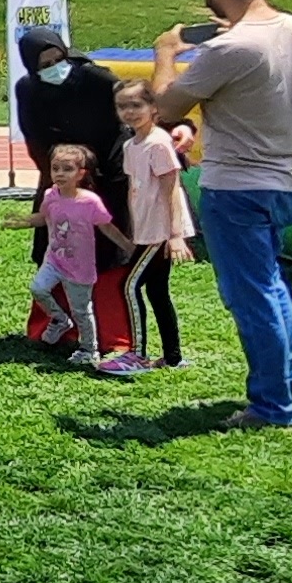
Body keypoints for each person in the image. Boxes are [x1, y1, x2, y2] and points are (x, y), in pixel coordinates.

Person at [146, 0, 292, 429]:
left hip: (236, 185)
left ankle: (272, 406)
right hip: (286, 181)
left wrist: (165, 52)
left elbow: (164, 106)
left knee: (252, 295)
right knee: (271, 286)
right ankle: (288, 387)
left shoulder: (229, 47)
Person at [11, 26, 136, 355]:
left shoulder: (99, 80)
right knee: (58, 250)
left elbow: (129, 122)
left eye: (59, 58)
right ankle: (55, 327)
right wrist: (61, 174)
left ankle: (111, 336)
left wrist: (97, 171)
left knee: (106, 257)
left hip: (107, 178)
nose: (54, 67)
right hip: (60, 180)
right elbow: (35, 138)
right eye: (44, 63)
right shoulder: (28, 90)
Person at [103, 80, 195, 376]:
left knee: (128, 286)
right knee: (157, 291)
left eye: (136, 105)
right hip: (146, 229)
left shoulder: (158, 143)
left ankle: (136, 355)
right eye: (122, 106)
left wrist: (176, 234)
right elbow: (137, 190)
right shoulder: (132, 145)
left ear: (153, 109)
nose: (129, 112)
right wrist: (134, 231)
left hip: (161, 231)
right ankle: (172, 356)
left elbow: (171, 188)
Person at [10, 145, 115, 362]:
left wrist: (127, 245)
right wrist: (21, 221)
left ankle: (89, 349)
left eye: (66, 169)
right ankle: (59, 319)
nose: (59, 173)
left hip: (79, 268)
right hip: (54, 260)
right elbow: (42, 217)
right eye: (55, 168)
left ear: (81, 173)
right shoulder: (50, 195)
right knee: (38, 288)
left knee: (82, 312)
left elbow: (107, 226)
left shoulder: (90, 201)